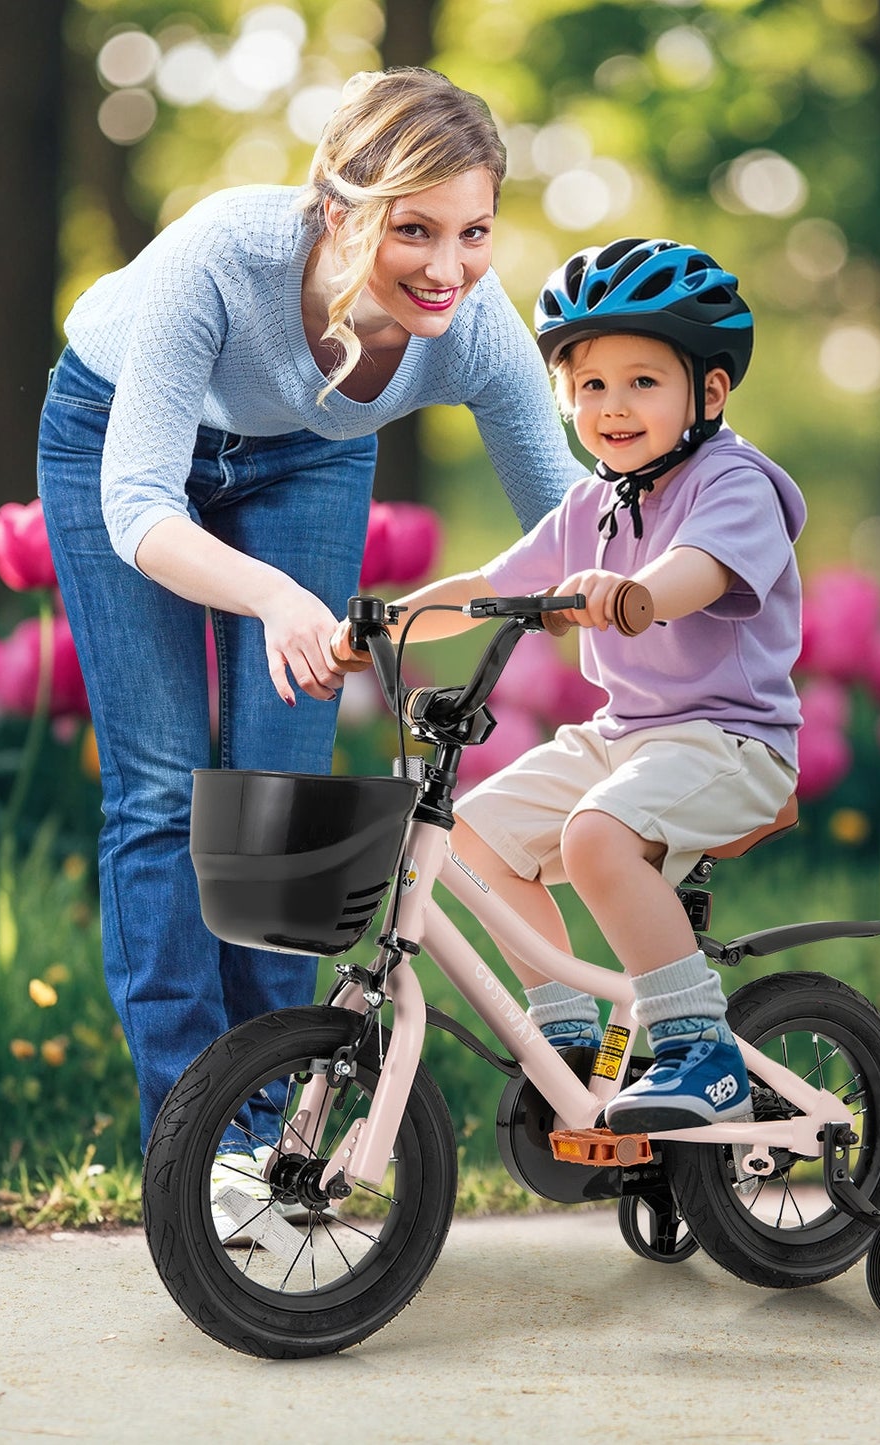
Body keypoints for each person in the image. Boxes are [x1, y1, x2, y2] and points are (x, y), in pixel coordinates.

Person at [36, 67, 580, 1169]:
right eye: (413, 228)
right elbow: (138, 505)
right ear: (340, 209)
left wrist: (703, 580)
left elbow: (572, 517)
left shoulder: (469, 329)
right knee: (162, 787)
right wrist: (275, 596)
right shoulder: (221, 257)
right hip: (118, 433)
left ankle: (271, 1122)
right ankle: (194, 1144)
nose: (446, 267)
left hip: (309, 458)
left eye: (472, 231)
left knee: (279, 799)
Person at [335, 237, 806, 1132]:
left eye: (642, 381)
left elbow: (699, 570)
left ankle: (698, 1049)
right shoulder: (592, 503)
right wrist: (392, 621)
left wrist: (635, 595)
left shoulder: (732, 481)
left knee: (595, 836)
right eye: (590, 384)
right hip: (627, 736)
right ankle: (568, 1044)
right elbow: (490, 585)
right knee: (472, 837)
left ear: (707, 392)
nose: (613, 406)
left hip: (733, 742)